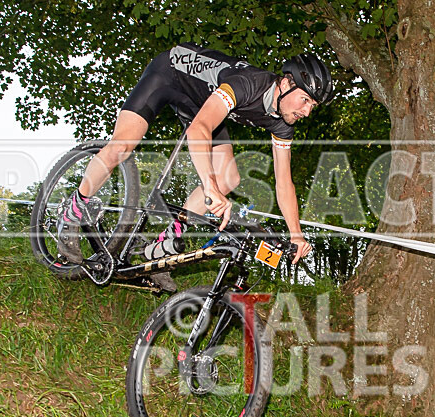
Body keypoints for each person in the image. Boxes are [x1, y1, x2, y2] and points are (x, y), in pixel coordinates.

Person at [55, 42, 333, 289]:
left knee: (229, 179)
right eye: (305, 99)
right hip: (168, 75)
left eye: (313, 105)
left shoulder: (283, 122)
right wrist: (210, 189)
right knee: (122, 146)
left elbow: (284, 182)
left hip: (201, 101)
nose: (307, 111)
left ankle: (162, 246)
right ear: (285, 83)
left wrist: (296, 235)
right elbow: (199, 129)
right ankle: (72, 211)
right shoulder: (249, 84)